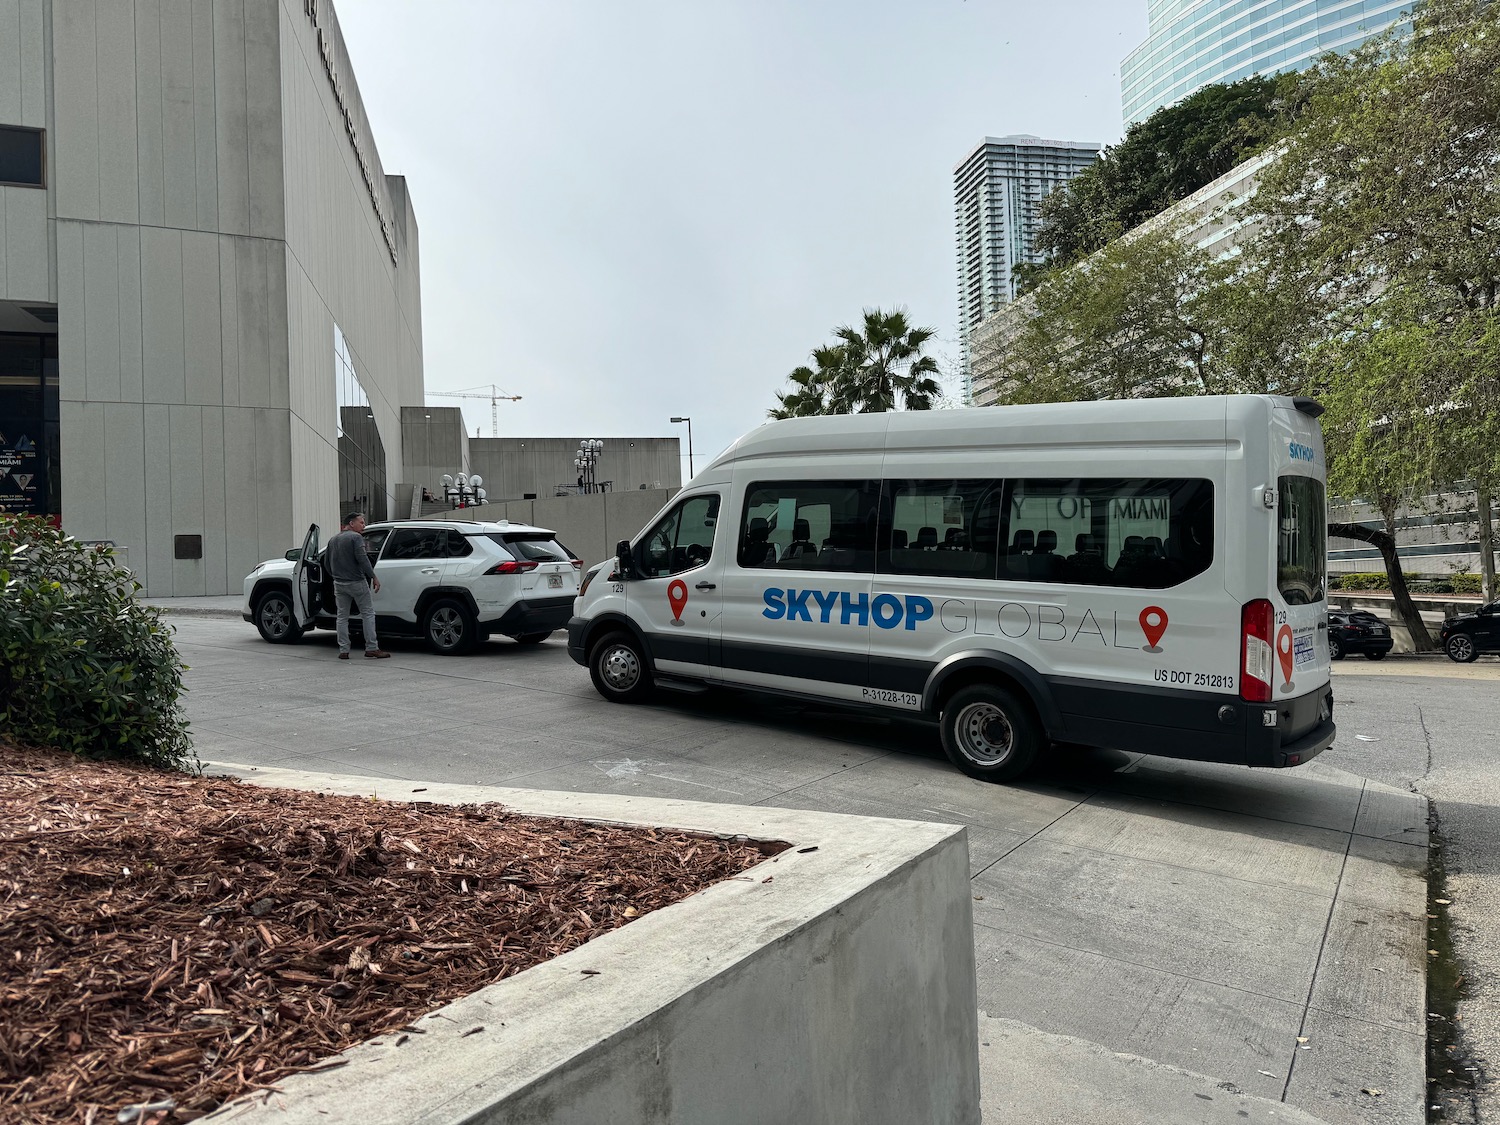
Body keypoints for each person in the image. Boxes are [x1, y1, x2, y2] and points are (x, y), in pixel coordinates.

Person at [326, 512, 390, 660]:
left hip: (339, 584)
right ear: (351, 523)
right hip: (356, 582)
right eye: (361, 522)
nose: (364, 526)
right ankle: (372, 647)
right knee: (367, 614)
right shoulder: (356, 537)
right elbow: (363, 559)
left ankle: (344, 650)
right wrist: (373, 576)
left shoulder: (333, 539)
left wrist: (335, 576)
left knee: (342, 617)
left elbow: (327, 563)